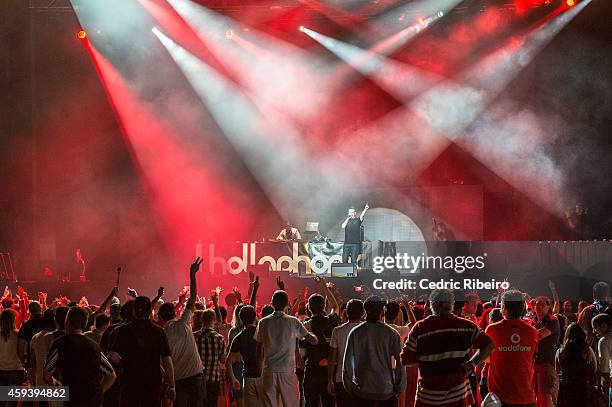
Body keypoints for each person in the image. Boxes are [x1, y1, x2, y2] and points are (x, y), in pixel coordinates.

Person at [402, 289, 493, 407]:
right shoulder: (466, 326)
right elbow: (489, 344)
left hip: (429, 398)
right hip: (458, 397)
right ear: (451, 304)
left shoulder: (420, 328)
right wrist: (472, 364)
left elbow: (407, 360)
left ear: (432, 304)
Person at [255, 290, 317, 407]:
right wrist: (311, 332)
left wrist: (260, 370)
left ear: (272, 303)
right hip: (287, 371)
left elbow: (259, 349)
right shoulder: (293, 321)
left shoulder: (263, 322)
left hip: (269, 370)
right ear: (287, 304)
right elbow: (313, 340)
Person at [109, 296, 175, 406]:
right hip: (152, 384)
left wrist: (126, 362)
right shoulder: (158, 331)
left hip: (130, 383)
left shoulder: (123, 330)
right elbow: (167, 360)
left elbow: (112, 357)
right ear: (150, 311)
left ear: (134, 311)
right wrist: (172, 385)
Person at [44, 306, 116, 407]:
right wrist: (99, 392)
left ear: (67, 321)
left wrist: (55, 383)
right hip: (92, 401)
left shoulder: (59, 344)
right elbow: (111, 375)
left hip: (71, 399)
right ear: (85, 323)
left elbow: (47, 375)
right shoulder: (93, 346)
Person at [158, 258, 205, 407]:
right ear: (174, 313)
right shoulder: (184, 323)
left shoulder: (161, 333)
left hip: (178, 380)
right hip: (196, 375)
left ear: (160, 317)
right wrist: (192, 275)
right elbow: (192, 299)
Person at [343, 296, 405, 406]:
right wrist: (399, 386)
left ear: (365, 311)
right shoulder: (391, 333)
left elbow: (347, 362)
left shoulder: (355, 332)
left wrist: (349, 386)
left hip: (362, 390)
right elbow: (400, 361)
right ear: (382, 311)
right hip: (385, 390)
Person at [485, 290, 539, 407]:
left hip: (500, 398)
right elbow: (531, 358)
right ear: (522, 308)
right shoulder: (533, 332)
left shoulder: (492, 330)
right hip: (527, 397)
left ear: (503, 308)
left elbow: (486, 358)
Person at [300, 294, 339, 407]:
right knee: (329, 403)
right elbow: (335, 306)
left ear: (309, 308)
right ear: (324, 306)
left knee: (311, 403)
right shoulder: (332, 320)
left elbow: (302, 353)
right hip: (330, 371)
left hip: (312, 371)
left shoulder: (306, 325)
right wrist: (325, 288)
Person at [328, 299, 364, 407]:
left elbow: (332, 357)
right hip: (363, 379)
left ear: (347, 312)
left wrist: (330, 380)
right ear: (362, 313)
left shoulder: (337, 330)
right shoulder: (366, 330)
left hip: (342, 378)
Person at [555, 323, 598, 407]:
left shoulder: (560, 352)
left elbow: (557, 371)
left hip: (566, 390)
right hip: (583, 389)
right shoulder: (588, 351)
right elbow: (594, 368)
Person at [227, 305, 261, 407]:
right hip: (264, 376)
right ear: (255, 317)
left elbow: (228, 361)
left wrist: (233, 379)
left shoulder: (238, 337)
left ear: (241, 319)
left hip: (248, 378)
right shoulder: (263, 333)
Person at [530, 296, 560, 407]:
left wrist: (525, 334)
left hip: (546, 364)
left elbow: (540, 335)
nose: (539, 306)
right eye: (537, 304)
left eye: (543, 304)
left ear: (549, 307)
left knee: (545, 397)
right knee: (532, 396)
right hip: (533, 364)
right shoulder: (533, 322)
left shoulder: (552, 320)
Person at [195, 309, 225, 407]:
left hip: (197, 377)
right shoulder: (219, 338)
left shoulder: (195, 336)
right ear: (214, 321)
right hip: (213, 377)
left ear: (202, 320)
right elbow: (222, 360)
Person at [0, 309, 25, 395]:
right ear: (13, 319)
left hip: (1, 370)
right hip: (16, 370)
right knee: (12, 400)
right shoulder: (19, 334)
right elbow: (22, 352)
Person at [579, 282, 610, 347]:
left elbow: (581, 332)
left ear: (593, 295)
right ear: (607, 294)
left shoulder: (587, 311)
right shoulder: (610, 309)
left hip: (593, 350)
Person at [592, 313, 612, 406]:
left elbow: (604, 368)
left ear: (604, 325)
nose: (594, 331)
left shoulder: (604, 341)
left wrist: (608, 382)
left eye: (595, 327)